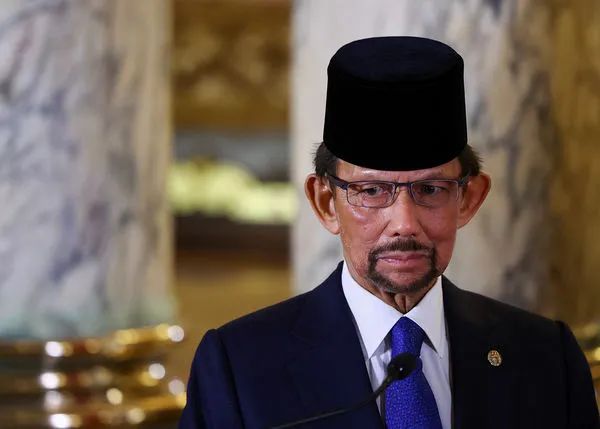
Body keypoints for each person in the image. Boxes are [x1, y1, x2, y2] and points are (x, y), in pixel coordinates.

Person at [179, 36, 599, 429]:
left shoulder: (547, 358)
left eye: (430, 190)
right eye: (372, 191)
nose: (404, 224)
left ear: (468, 199)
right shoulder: (240, 367)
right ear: (326, 203)